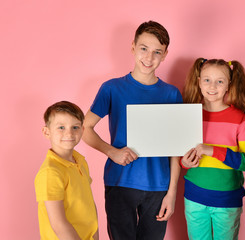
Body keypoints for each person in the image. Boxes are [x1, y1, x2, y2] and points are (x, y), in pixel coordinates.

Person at [82, 20, 182, 240]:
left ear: (165, 55)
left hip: (158, 186)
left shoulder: (171, 94)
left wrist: (172, 193)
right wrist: (112, 152)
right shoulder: (111, 88)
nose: (149, 57)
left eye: (157, 52)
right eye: (144, 49)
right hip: (120, 182)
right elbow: (85, 127)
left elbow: (177, 149)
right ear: (133, 47)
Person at [181, 58, 245, 240]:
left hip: (227, 201)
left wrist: (213, 151)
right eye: (207, 79)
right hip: (194, 198)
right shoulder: (188, 114)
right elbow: (179, 155)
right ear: (198, 81)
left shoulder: (240, 119)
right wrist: (183, 162)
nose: (212, 86)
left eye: (220, 81)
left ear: (229, 84)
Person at [34, 101, 99, 240]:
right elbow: (59, 224)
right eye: (61, 127)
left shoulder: (80, 161)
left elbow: (89, 204)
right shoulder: (50, 172)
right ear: (47, 132)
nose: (69, 133)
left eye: (75, 127)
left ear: (82, 130)